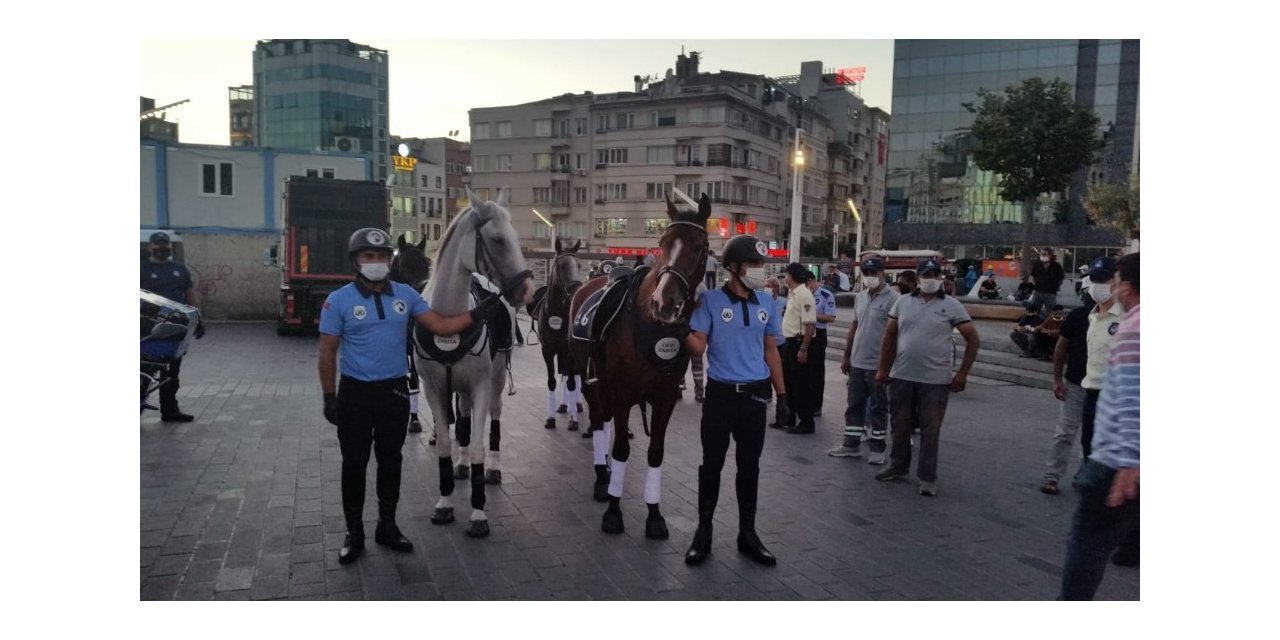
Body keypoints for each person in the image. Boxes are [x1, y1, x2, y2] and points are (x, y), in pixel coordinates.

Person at [318, 228, 507, 565]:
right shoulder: (338, 300)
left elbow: (439, 325)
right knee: (355, 464)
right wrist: (329, 397)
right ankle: (354, 533)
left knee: (392, 462)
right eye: (368, 257)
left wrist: (477, 315)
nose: (375, 263)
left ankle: (386, 526)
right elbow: (327, 352)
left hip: (393, 391)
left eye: (380, 257)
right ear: (356, 261)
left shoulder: (405, 294)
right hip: (356, 394)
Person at [682, 234, 788, 567]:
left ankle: (748, 534)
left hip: (756, 395)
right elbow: (698, 347)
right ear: (732, 266)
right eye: (752, 263)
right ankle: (704, 532)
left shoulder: (767, 302)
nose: (758, 269)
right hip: (721, 395)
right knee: (711, 465)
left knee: (749, 467)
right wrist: (678, 325)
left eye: (760, 264)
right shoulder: (711, 301)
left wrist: (782, 395)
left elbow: (771, 349)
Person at [1058, 252, 1140, 600]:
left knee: (1087, 542)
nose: (1113, 287)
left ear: (1129, 286)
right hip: (1119, 452)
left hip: (1114, 461)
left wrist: (1129, 460)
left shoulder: (1135, 326)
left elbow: (1135, 396)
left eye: (1118, 280)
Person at [874, 258, 980, 497]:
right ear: (918, 278)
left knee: (931, 430)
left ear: (940, 277)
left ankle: (927, 476)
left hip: (936, 380)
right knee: (900, 424)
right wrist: (883, 368)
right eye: (926, 275)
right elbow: (889, 336)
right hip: (902, 375)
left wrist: (962, 373)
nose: (930, 279)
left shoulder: (952, 305)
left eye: (934, 275)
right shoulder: (902, 302)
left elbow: (972, 338)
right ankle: (898, 465)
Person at [1039, 262, 1106, 496]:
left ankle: (1083, 476)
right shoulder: (1078, 316)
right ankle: (1052, 476)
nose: (1100, 287)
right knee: (1066, 432)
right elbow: (1061, 347)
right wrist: (1057, 378)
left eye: (1105, 281)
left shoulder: (1124, 318)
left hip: (1103, 387)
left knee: (1093, 436)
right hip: (1076, 383)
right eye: (1096, 282)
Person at [830, 256, 900, 463]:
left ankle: (877, 449)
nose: (870, 277)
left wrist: (886, 365)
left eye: (874, 273)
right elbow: (855, 326)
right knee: (854, 404)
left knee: (878, 407)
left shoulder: (894, 299)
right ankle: (851, 444)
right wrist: (846, 355)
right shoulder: (860, 297)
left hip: (878, 363)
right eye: (866, 273)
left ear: (882, 273)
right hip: (857, 362)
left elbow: (895, 334)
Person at [140, 231, 205, 422]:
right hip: (148, 330)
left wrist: (198, 318)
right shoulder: (140, 269)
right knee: (145, 372)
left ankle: (170, 411)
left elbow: (189, 293)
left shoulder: (179, 269)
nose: (162, 248)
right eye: (158, 244)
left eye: (165, 244)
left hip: (176, 329)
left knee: (171, 374)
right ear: (150, 247)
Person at [775, 263, 819, 434]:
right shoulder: (793, 294)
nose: (785, 278)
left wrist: (804, 348)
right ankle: (790, 418)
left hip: (799, 343)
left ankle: (806, 422)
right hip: (789, 342)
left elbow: (810, 324)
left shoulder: (804, 295)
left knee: (801, 384)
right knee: (789, 383)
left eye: (786, 274)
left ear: (791, 276)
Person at [807, 273, 838, 417]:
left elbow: (830, 317)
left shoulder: (825, 295)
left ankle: (816, 406)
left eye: (808, 283)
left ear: (813, 281)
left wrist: (810, 315)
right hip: (804, 333)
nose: (807, 286)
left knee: (817, 372)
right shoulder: (801, 294)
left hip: (818, 334)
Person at [1030, 247, 1065, 316]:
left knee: (1051, 312)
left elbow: (1060, 279)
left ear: (1050, 255)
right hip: (1038, 291)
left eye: (1044, 254)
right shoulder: (1037, 264)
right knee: (1034, 311)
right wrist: (1037, 284)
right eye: (1041, 254)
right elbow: (1033, 276)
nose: (1042, 255)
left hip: (1050, 293)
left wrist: (1055, 287)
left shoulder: (1056, 266)